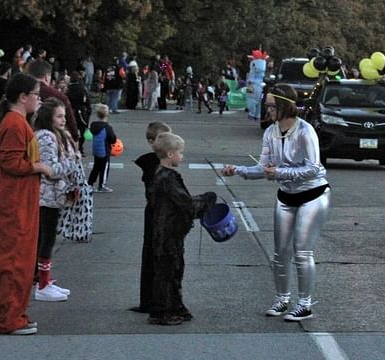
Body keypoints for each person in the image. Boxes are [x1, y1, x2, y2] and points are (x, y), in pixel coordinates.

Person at [221, 84, 331, 321]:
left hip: (313, 194)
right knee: (280, 253)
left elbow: (313, 168)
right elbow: (263, 167)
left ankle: (305, 303)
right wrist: (237, 169)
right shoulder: (271, 132)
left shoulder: (305, 131)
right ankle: (282, 299)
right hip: (286, 196)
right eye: (267, 105)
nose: (268, 109)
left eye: (272, 105)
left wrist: (280, 173)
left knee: (302, 251)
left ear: (284, 105)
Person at [0, 73, 53, 335]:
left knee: (18, 260)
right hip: (12, 204)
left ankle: (15, 313)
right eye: (36, 94)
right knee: (13, 261)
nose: (39, 99)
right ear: (23, 97)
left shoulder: (15, 121)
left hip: (17, 200)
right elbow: (11, 163)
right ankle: (8, 318)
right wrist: (40, 167)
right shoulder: (15, 123)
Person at [146, 132, 217, 325]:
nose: (182, 156)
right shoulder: (168, 179)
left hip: (169, 230)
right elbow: (185, 203)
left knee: (175, 268)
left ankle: (175, 305)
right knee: (167, 271)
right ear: (170, 154)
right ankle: (162, 310)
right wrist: (205, 200)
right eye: (180, 152)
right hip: (168, 232)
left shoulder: (161, 175)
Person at [32, 99, 82, 302]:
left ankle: (44, 279)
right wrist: (72, 162)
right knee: (46, 238)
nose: (63, 120)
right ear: (48, 117)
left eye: (64, 116)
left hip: (55, 194)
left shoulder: (59, 135)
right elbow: (50, 169)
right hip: (47, 195)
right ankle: (42, 283)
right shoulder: (46, 137)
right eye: (59, 116)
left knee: (47, 237)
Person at [130, 121, 172, 314]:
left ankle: (151, 298)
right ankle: (152, 299)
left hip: (157, 213)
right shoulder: (155, 165)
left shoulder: (160, 164)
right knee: (153, 255)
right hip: (157, 214)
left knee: (154, 255)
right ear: (151, 141)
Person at [27, 59, 79, 142]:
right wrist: (74, 136)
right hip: (54, 140)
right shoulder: (59, 96)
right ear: (46, 77)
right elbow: (70, 121)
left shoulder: (22, 94)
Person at [87, 104, 118, 192]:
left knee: (96, 167)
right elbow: (113, 139)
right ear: (107, 115)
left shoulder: (93, 125)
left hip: (96, 150)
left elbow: (88, 136)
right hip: (105, 151)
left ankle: (90, 183)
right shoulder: (107, 127)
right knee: (104, 168)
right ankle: (102, 185)